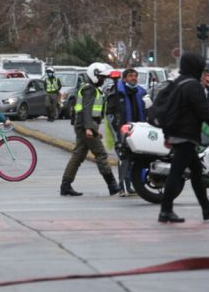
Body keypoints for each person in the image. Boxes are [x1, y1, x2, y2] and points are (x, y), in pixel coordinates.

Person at [159, 53, 209, 223]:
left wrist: (168, 135)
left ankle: (206, 207)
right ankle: (166, 210)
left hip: (178, 134)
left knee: (196, 171)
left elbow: (169, 110)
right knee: (176, 174)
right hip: (186, 135)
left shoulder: (178, 83)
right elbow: (204, 112)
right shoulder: (192, 86)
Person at [60, 62, 120, 197]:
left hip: (84, 126)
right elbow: (87, 110)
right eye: (101, 77)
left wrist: (92, 128)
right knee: (101, 154)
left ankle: (65, 186)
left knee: (78, 156)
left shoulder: (90, 88)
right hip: (86, 126)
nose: (103, 80)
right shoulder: (90, 89)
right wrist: (89, 128)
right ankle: (113, 186)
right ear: (94, 75)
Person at [105, 68, 148, 197]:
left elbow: (147, 110)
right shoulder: (116, 93)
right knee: (124, 159)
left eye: (135, 76)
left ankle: (131, 186)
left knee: (135, 159)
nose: (134, 78)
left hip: (138, 131)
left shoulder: (141, 92)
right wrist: (117, 131)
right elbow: (109, 114)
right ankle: (122, 187)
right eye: (130, 76)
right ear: (124, 79)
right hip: (122, 131)